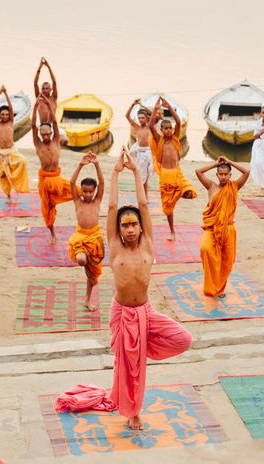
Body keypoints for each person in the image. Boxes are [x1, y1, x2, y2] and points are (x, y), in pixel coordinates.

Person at [107, 148, 192, 429]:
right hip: (122, 313)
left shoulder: (147, 244)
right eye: (125, 225)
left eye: (134, 225)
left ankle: (144, 348)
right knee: (128, 368)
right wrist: (116, 172)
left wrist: (135, 171)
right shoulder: (115, 246)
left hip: (145, 312)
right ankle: (132, 411)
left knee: (183, 338)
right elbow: (111, 207)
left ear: (141, 228)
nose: (130, 229)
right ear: (118, 230)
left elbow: (144, 206)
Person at [195, 156, 250, 298]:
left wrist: (230, 162)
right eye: (221, 174)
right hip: (212, 228)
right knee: (205, 250)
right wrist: (215, 164)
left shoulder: (234, 186)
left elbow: (246, 172)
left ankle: (220, 288)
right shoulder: (211, 186)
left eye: (226, 174)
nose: (223, 177)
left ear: (230, 175)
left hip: (229, 228)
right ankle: (211, 285)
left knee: (227, 261)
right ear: (217, 174)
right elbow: (198, 171)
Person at [149, 96, 197, 241]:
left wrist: (169, 107)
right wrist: (156, 109)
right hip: (166, 175)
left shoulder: (176, 138)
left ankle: (178, 193)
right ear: (162, 130)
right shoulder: (159, 140)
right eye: (166, 128)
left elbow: (178, 122)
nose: (169, 130)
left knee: (190, 193)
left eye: (170, 128)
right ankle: (172, 231)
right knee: (168, 210)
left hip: (177, 172)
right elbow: (151, 125)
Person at [32, 94, 74, 244]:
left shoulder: (56, 140)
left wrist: (49, 105)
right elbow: (32, 126)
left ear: (51, 133)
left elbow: (55, 122)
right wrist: (36, 106)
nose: (46, 136)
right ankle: (52, 233)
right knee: (48, 209)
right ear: (40, 134)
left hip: (57, 178)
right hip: (45, 179)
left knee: (78, 191)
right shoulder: (38, 144)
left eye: (48, 133)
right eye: (43, 134)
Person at [68, 152, 105, 312]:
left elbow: (102, 181)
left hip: (95, 238)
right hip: (81, 238)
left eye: (91, 191)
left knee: (93, 277)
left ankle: (87, 300)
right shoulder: (78, 201)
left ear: (94, 191)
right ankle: (87, 267)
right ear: (81, 191)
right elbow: (71, 181)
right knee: (82, 261)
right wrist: (81, 164)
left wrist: (96, 164)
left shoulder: (97, 200)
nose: (88, 194)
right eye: (85, 191)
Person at [0, 85, 29, 202]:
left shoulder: (10, 122)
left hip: (12, 152)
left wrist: (6, 94)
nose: (4, 116)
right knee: (3, 176)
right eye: (2, 114)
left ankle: (18, 185)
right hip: (1, 153)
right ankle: (8, 195)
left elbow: (10, 108)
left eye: (6, 114)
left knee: (23, 161)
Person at [33, 57, 68, 146]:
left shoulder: (53, 98)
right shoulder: (39, 98)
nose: (45, 90)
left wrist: (48, 67)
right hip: (42, 126)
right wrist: (39, 68)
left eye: (47, 88)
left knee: (65, 140)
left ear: (50, 89)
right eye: (43, 88)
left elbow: (54, 82)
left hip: (53, 125)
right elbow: (35, 84)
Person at [126, 99, 155, 198]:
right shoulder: (137, 127)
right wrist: (132, 104)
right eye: (139, 118)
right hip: (141, 152)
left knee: (151, 170)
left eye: (142, 118)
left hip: (149, 151)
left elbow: (153, 113)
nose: (141, 120)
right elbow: (127, 116)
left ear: (147, 118)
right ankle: (145, 195)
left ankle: (148, 184)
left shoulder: (150, 127)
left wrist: (142, 105)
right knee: (143, 177)